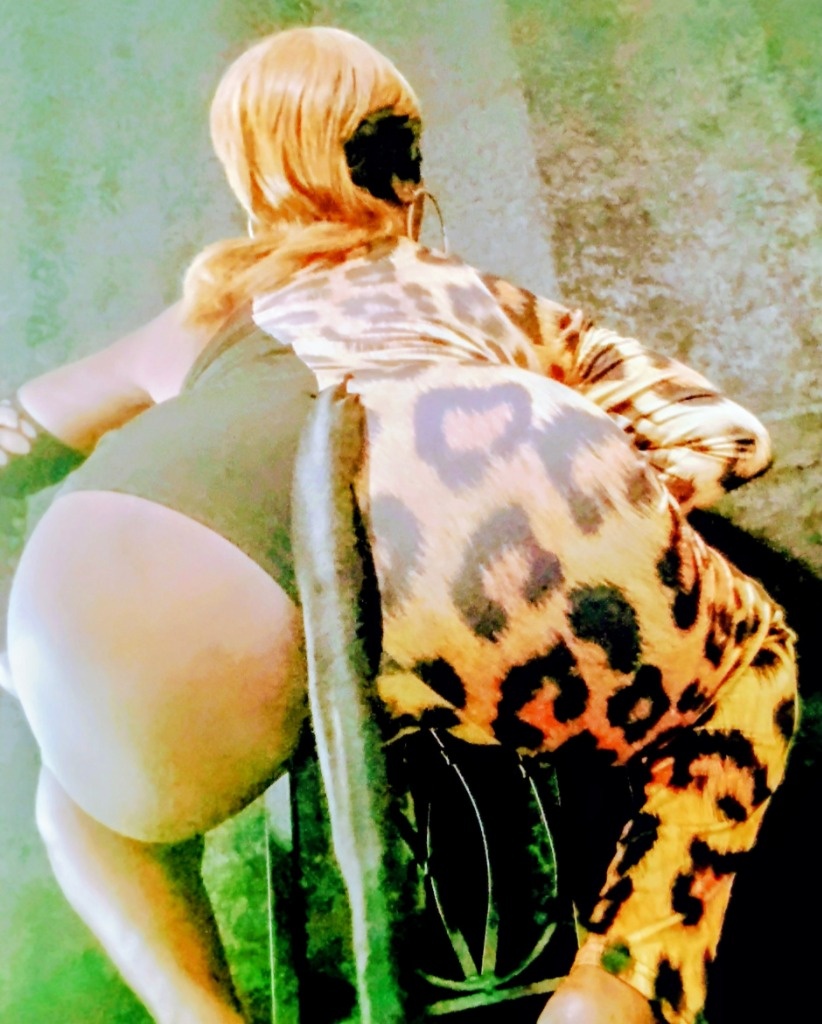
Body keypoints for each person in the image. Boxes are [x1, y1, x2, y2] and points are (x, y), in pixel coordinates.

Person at [0, 25, 796, 1024]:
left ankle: (199, 1012)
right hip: (469, 532)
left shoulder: (207, 315)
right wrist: (632, 515)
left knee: (79, 794)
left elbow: (19, 430)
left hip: (140, 555)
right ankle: (617, 981)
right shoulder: (475, 297)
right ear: (407, 167)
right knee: (752, 666)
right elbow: (726, 436)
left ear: (249, 169)